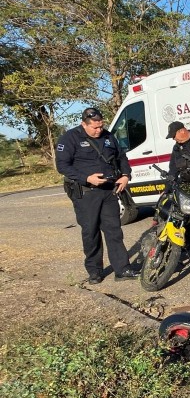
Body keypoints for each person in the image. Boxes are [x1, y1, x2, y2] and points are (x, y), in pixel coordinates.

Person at [56, 107, 140, 284]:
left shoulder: (109, 136)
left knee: (114, 231)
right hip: (86, 194)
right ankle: (95, 272)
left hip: (109, 191)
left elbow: (121, 157)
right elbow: (62, 166)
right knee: (91, 232)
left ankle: (122, 269)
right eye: (94, 127)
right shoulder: (70, 138)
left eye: (100, 126)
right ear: (83, 124)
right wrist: (87, 178)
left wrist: (126, 175)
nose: (98, 130)